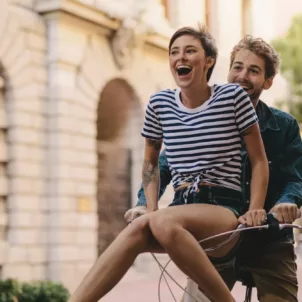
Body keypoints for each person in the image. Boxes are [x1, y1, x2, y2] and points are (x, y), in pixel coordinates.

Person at [68, 26, 269, 302]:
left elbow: (258, 160)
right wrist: (150, 209)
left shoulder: (232, 98)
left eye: (189, 51)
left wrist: (255, 209)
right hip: (180, 209)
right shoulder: (159, 104)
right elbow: (150, 162)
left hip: (223, 209)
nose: (180, 58)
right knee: (138, 229)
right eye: (174, 52)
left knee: (161, 220)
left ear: (208, 61)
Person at [126, 35, 302, 302]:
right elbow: (163, 166)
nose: (243, 76)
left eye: (254, 71)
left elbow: (295, 177)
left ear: (267, 82)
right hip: (216, 238)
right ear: (228, 71)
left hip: (268, 239)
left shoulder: (284, 125)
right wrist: (143, 204)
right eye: (238, 67)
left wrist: (287, 203)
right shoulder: (206, 112)